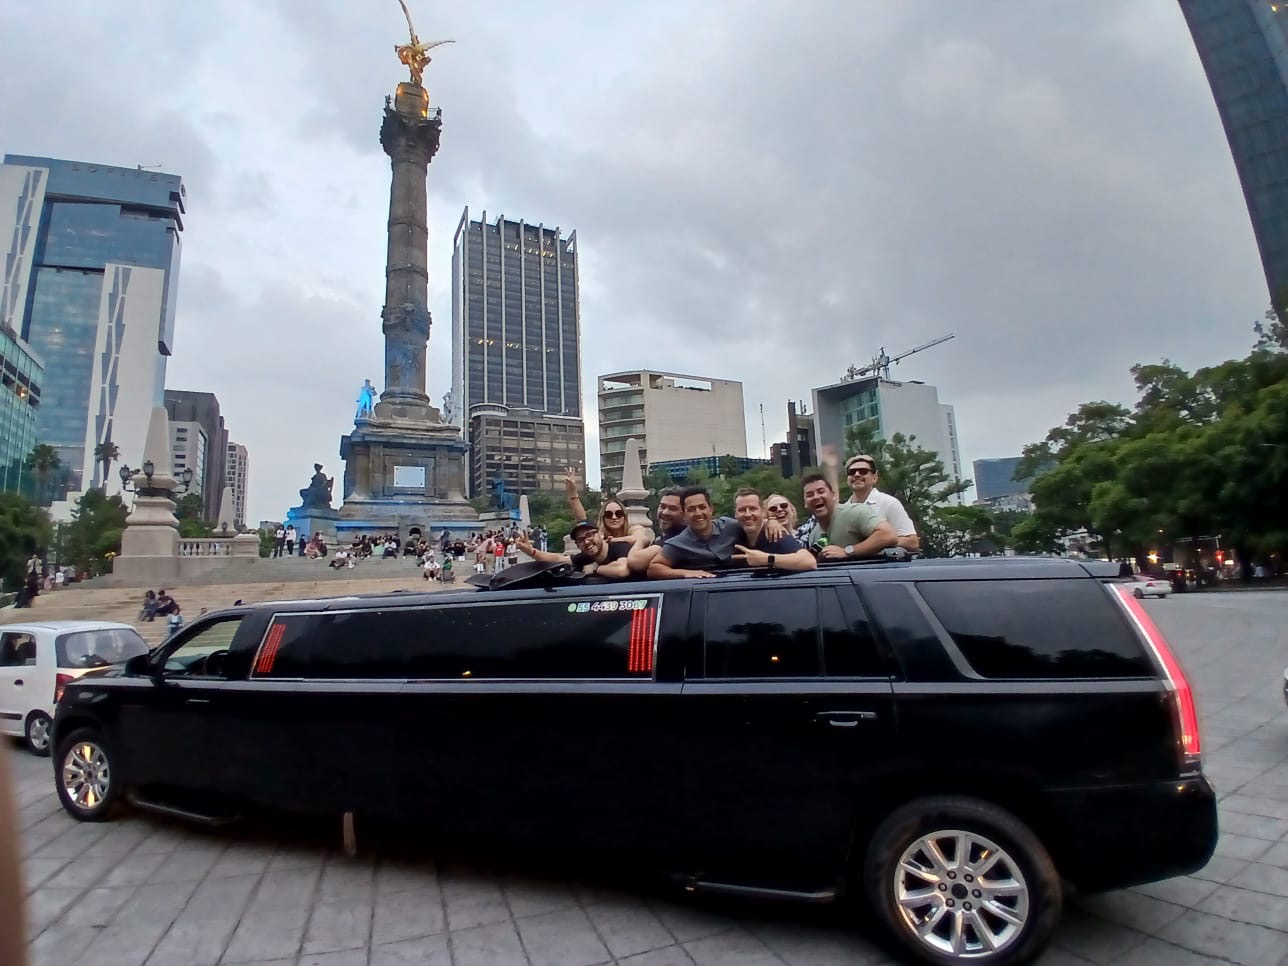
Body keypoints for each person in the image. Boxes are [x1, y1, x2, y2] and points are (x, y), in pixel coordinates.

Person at [647, 486, 789, 579]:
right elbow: (654, 568)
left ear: (711, 509)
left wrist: (771, 521)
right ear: (684, 514)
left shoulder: (730, 526)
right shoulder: (677, 543)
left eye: (702, 507)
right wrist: (686, 573)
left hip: (745, 587)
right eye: (691, 509)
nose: (698, 513)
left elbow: (751, 521)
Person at [799, 473, 897, 559]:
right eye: (809, 495)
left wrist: (847, 551)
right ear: (805, 503)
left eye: (821, 491)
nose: (816, 497)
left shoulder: (855, 512)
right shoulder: (813, 535)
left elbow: (888, 535)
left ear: (833, 495)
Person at [841, 453, 920, 552]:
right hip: (849, 566)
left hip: (883, 566)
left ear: (874, 477)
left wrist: (880, 542)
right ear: (847, 479)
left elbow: (912, 542)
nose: (857, 474)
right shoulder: (842, 510)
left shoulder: (889, 503)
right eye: (851, 472)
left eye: (863, 471)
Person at [730, 490, 817, 571]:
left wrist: (767, 559)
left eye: (753, 509)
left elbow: (810, 562)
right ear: (735, 514)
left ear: (763, 511)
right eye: (742, 510)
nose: (747, 514)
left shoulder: (774, 535)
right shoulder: (732, 534)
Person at [517, 521, 632, 578]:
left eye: (589, 535)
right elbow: (558, 558)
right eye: (581, 540)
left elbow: (622, 569)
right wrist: (531, 551)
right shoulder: (587, 556)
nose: (586, 542)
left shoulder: (620, 546)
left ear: (601, 534)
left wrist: (597, 569)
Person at [627, 486, 687, 574]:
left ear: (685, 514)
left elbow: (635, 561)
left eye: (673, 508)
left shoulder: (678, 539)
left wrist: (641, 539)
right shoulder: (665, 538)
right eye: (662, 506)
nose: (665, 512)